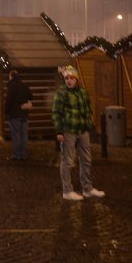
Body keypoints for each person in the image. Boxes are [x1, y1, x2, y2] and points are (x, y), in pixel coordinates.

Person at [51, 66, 104, 201]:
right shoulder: (61, 94)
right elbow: (56, 113)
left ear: (76, 79)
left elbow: (87, 110)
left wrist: (89, 125)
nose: (69, 80)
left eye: (71, 78)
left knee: (86, 159)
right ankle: (67, 190)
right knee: (68, 161)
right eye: (66, 78)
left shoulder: (83, 93)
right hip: (68, 130)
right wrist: (59, 131)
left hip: (82, 130)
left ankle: (87, 189)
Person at [4, 70, 33, 161]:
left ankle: (17, 154)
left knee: (16, 135)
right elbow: (31, 97)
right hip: (24, 114)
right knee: (24, 135)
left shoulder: (11, 87)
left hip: (14, 115)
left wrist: (6, 111)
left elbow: (8, 101)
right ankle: (23, 154)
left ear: (11, 77)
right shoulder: (24, 86)